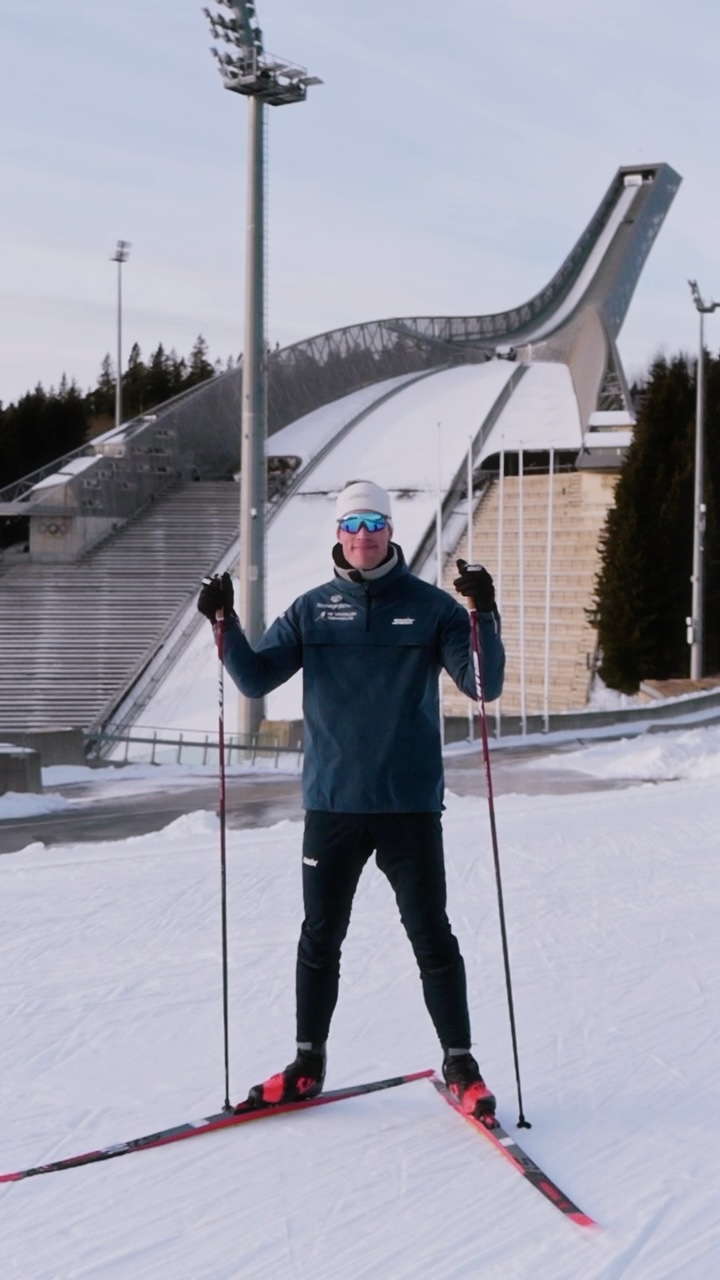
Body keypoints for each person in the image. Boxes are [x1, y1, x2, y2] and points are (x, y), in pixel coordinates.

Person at [197, 478, 505, 1118]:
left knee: (432, 937)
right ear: (338, 533)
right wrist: (223, 623)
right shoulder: (312, 610)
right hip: (333, 803)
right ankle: (307, 1064)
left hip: (408, 804)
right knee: (319, 938)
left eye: (374, 522)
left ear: (390, 530)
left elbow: (483, 683)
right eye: (352, 523)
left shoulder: (432, 608)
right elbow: (256, 676)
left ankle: (462, 1065)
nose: (363, 534)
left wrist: (483, 611)